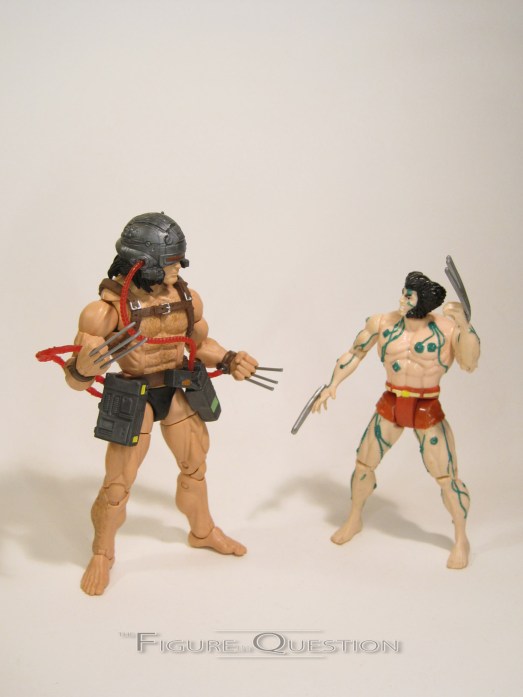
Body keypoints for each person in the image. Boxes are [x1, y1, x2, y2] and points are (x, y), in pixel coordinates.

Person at [66, 212, 259, 595]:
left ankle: (202, 532)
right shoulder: (104, 310)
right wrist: (84, 368)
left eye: (178, 260)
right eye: (170, 261)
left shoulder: (186, 298)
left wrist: (229, 359)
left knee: (195, 467)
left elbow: (199, 344)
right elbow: (75, 378)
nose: (178, 268)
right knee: (118, 484)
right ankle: (102, 553)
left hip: (175, 386)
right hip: (134, 394)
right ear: (143, 261)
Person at [312, 271, 480, 569]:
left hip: (427, 406)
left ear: (422, 301)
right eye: (403, 292)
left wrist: (466, 327)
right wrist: (332, 384)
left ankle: (460, 538)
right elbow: (354, 353)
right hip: (391, 403)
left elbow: (469, 363)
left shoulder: (446, 329)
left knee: (447, 478)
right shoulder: (382, 323)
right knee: (363, 464)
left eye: (409, 295)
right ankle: (354, 518)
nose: (402, 299)